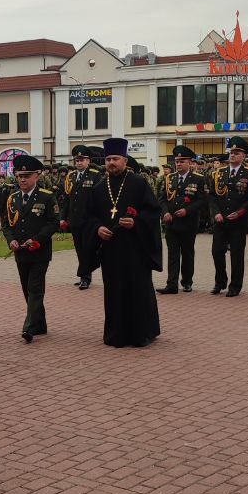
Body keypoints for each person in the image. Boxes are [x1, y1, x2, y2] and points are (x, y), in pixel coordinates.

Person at [86, 137, 161, 348]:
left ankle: (141, 334)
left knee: (138, 290)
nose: (111, 162)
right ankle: (115, 335)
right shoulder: (99, 187)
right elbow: (89, 216)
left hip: (136, 248)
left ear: (125, 161)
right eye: (108, 159)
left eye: (115, 159)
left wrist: (136, 222)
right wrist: (97, 228)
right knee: (114, 291)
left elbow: (153, 211)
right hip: (111, 250)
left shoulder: (138, 183)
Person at [2, 154, 60, 343]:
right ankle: (40, 323)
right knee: (27, 290)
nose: (23, 179)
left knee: (35, 288)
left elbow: (53, 223)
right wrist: (10, 240)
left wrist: (36, 240)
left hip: (39, 251)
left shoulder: (47, 196)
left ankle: (29, 327)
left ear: (37, 176)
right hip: (21, 252)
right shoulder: (13, 199)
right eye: (19, 176)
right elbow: (7, 225)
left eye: (27, 175)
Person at [156, 144, 206, 294]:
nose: (178, 164)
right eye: (177, 161)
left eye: (182, 161)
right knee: (172, 254)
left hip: (188, 223)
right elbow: (162, 198)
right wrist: (164, 213)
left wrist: (187, 210)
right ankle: (171, 284)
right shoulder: (169, 178)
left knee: (187, 253)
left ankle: (187, 281)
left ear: (190, 162)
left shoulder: (198, 179)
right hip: (171, 222)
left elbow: (202, 200)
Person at [208, 138, 248, 295]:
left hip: (238, 220)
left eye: (237, 153)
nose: (233, 155)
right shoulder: (219, 172)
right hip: (221, 219)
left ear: (243, 156)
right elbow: (213, 196)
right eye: (231, 152)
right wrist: (216, 213)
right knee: (216, 252)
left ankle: (235, 286)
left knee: (236, 254)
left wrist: (241, 212)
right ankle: (220, 282)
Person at [60, 145, 100, 289]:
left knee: (87, 248)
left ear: (88, 161)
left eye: (82, 160)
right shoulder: (70, 176)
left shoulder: (95, 175)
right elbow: (66, 199)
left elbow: (98, 199)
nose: (78, 162)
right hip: (75, 219)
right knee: (79, 249)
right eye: (77, 160)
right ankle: (84, 275)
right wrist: (63, 218)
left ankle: (86, 277)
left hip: (89, 220)